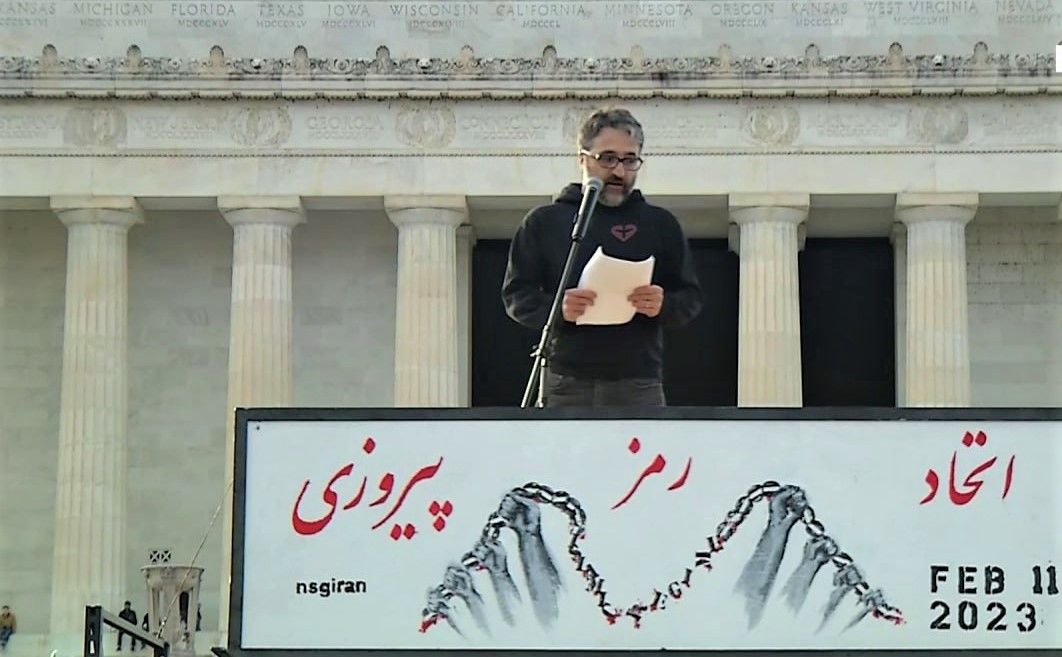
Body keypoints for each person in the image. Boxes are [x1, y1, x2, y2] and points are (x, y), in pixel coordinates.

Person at [502, 107, 702, 407]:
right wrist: (558, 308)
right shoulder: (545, 221)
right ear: (582, 159)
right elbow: (516, 295)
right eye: (607, 158)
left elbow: (690, 297)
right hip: (566, 379)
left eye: (630, 160)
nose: (619, 171)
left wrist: (662, 304)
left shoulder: (660, 224)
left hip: (638, 380)